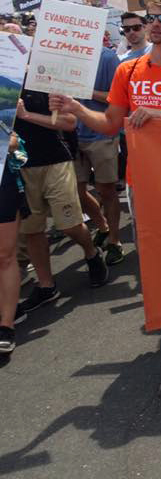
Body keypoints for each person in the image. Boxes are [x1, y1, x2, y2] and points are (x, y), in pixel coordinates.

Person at [49, 0, 161, 372]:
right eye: (150, 18)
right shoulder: (129, 71)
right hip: (143, 182)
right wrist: (77, 109)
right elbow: (111, 124)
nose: (154, 24)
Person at [14, 82, 110, 319]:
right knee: (33, 229)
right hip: (21, 167)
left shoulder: (45, 80)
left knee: (69, 224)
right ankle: (46, 286)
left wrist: (25, 115)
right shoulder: (7, 81)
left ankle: (91, 253)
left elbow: (69, 122)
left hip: (56, 161)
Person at [74, 45, 123, 265]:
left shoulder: (107, 57)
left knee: (107, 190)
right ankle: (102, 226)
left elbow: (119, 98)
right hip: (70, 135)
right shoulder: (60, 55)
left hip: (101, 134)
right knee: (76, 191)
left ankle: (114, 240)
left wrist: (85, 90)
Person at [0, 132, 29, 354]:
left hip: (4, 184)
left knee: (4, 256)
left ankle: (6, 325)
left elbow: (15, 143)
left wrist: (11, 144)